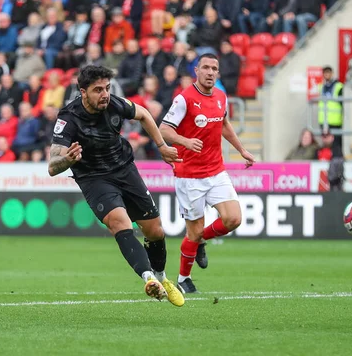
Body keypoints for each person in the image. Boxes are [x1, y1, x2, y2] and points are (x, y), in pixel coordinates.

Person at [47, 65, 185, 306]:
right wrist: (67, 160)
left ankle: (162, 278)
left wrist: (161, 146)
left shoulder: (114, 104)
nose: (105, 94)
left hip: (125, 169)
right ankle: (148, 278)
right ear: (83, 92)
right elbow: (52, 166)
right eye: (98, 90)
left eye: (107, 88)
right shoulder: (68, 118)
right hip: (94, 178)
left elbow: (143, 114)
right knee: (120, 222)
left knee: (155, 231)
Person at [159, 54, 255, 294]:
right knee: (193, 231)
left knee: (233, 219)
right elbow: (163, 129)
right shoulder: (184, 99)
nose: (210, 72)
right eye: (206, 68)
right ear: (197, 71)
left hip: (216, 171)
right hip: (189, 175)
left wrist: (242, 149)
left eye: (214, 68)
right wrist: (185, 141)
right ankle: (183, 279)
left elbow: (223, 124)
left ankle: (201, 239)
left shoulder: (221, 97)